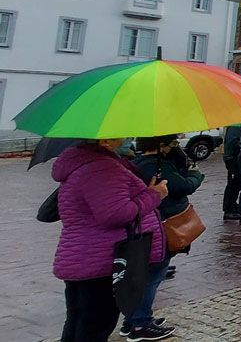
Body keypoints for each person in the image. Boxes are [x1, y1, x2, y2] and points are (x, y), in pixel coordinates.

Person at [53, 139, 169, 342]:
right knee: (95, 326)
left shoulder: (85, 162)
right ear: (105, 139)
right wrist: (154, 195)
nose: (127, 137)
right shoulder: (100, 168)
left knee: (79, 323)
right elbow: (115, 214)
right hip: (102, 261)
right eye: (121, 133)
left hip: (85, 258)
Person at [125, 135, 204, 339]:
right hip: (162, 226)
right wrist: (196, 175)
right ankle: (140, 323)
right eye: (172, 144)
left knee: (142, 274)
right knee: (153, 275)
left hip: (143, 226)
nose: (175, 147)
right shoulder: (158, 166)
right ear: (161, 146)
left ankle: (131, 319)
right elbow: (184, 185)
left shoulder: (135, 164)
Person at [222, 125, 241, 221]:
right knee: (234, 183)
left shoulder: (237, 125)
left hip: (234, 157)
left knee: (237, 183)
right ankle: (229, 209)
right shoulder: (236, 126)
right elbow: (232, 143)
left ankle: (232, 205)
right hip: (233, 158)